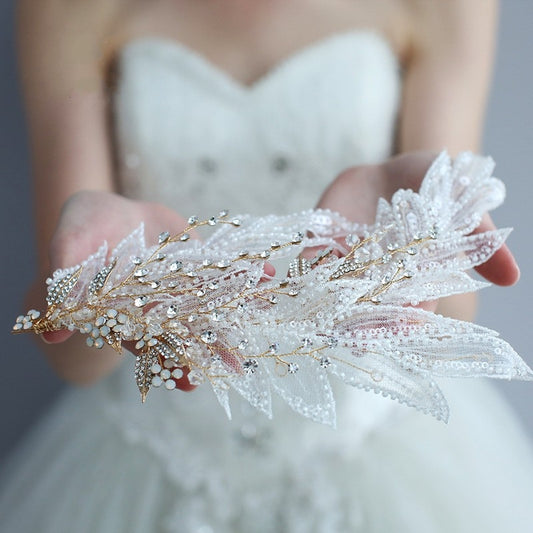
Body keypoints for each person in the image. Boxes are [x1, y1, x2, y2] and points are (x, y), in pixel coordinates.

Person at [1, 0, 532, 531]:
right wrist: (102, 292)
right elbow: (70, 358)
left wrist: (418, 239)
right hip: (150, 451)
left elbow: (456, 312)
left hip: (377, 451)